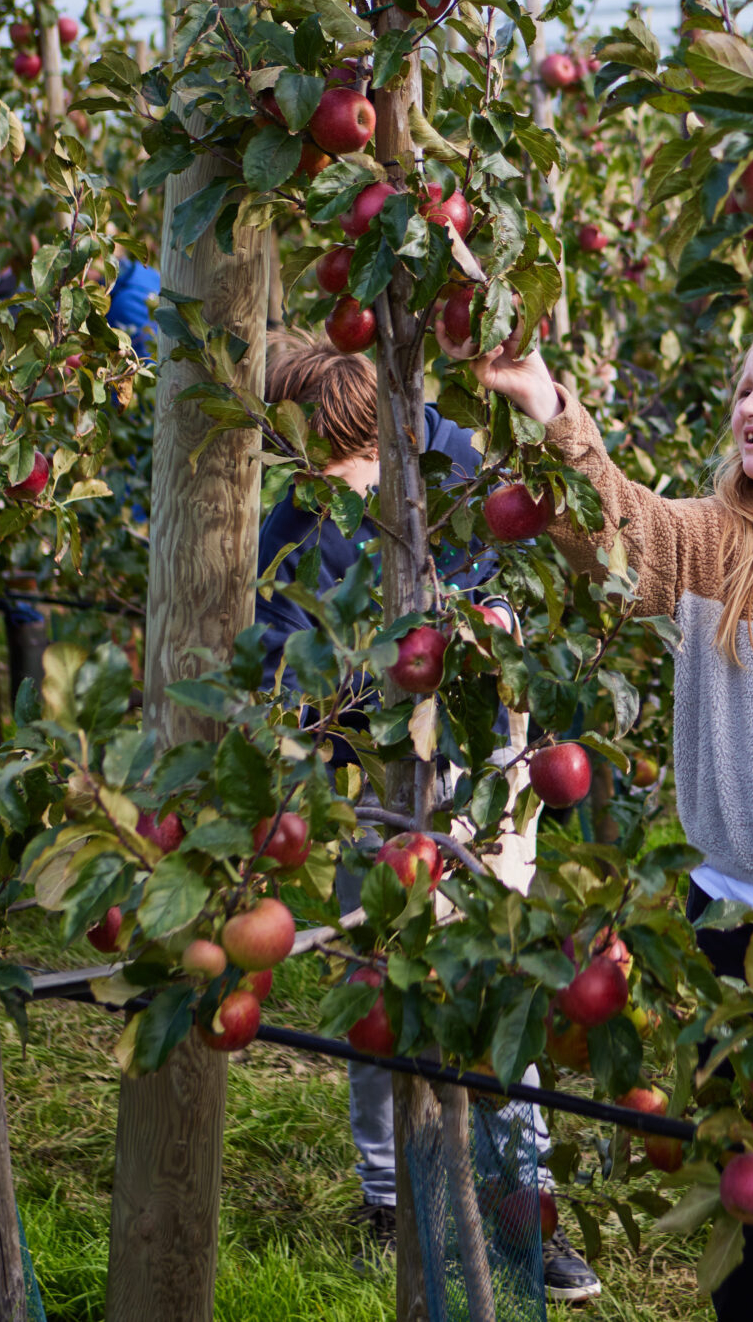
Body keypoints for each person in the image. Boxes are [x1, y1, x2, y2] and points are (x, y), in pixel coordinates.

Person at [471, 319, 753, 1322]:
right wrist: (546, 405)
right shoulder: (711, 544)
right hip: (740, 921)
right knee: (750, 1179)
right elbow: (613, 523)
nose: (749, 409)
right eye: (741, 391)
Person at [254, 331, 604, 1303]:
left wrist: (472, 638)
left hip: (486, 762)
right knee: (381, 984)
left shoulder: (450, 463)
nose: (345, 488)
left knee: (496, 973)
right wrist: (353, 689)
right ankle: (389, 1198)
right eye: (325, 472)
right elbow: (284, 666)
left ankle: (522, 1205)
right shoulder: (293, 520)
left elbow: (522, 575)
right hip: (375, 780)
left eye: (355, 463)